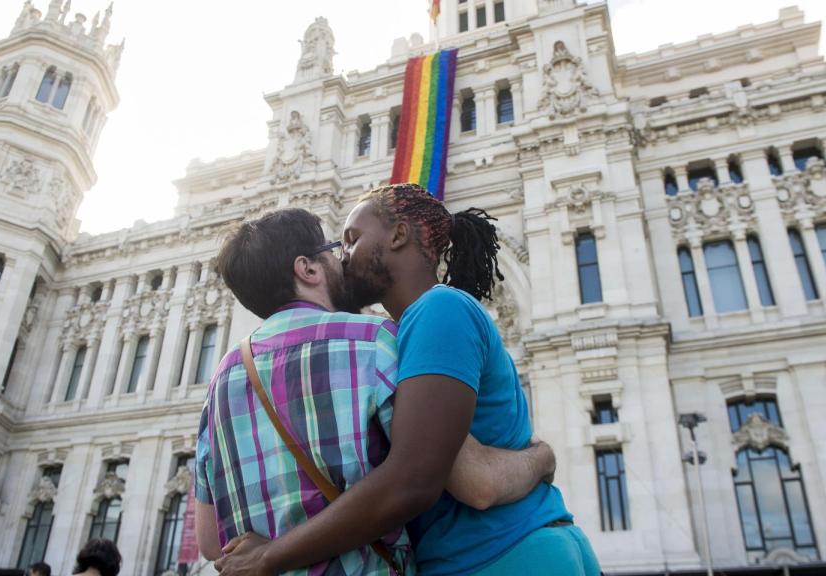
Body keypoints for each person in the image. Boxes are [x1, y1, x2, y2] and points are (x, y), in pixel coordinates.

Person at [216, 185, 600, 575]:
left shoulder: (438, 309)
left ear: (398, 235)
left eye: (351, 240)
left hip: (501, 554)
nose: (342, 258)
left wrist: (270, 555)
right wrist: (539, 457)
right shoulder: (406, 333)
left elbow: (423, 479)